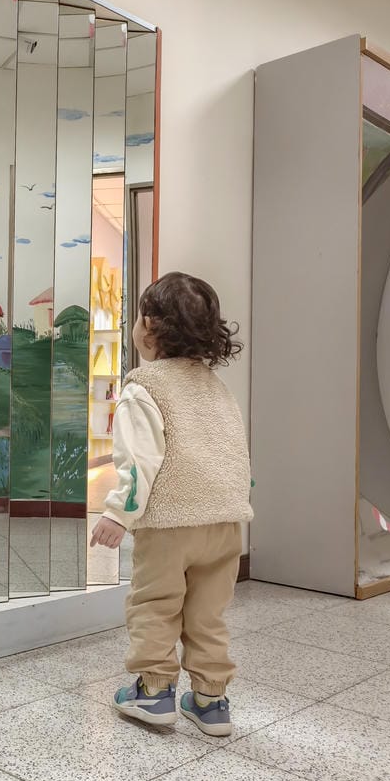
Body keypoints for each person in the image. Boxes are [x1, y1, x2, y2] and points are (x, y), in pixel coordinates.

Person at [90, 272, 253, 736]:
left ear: (150, 326)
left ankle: (154, 692)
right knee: (208, 613)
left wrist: (118, 513)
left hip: (170, 524)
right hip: (224, 522)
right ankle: (210, 700)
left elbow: (138, 460)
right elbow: (236, 452)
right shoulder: (216, 389)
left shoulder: (144, 387)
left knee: (156, 604)